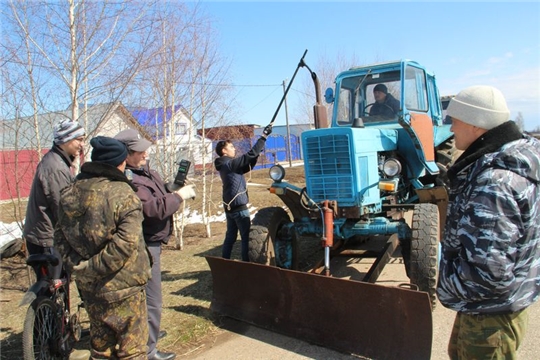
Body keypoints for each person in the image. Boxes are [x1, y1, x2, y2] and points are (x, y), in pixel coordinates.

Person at [436, 85, 540, 359]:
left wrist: (446, 284)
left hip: (490, 317)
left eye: (455, 122)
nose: (451, 129)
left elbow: (489, 274)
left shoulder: (494, 183)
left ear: (475, 124)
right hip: (493, 308)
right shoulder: (514, 163)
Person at [54, 136, 152, 359]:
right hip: (124, 287)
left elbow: (59, 237)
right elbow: (126, 244)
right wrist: (91, 268)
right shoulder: (123, 194)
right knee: (133, 352)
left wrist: (80, 267)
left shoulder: (70, 192)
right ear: (120, 163)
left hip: (91, 289)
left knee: (100, 351)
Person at [114, 128, 196, 360]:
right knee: (152, 300)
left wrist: (173, 187)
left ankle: (147, 339)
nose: (145, 154)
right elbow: (152, 210)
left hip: (152, 242)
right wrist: (180, 197)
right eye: (140, 151)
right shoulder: (130, 180)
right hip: (145, 243)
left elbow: (159, 195)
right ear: (126, 154)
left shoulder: (145, 172)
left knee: (149, 299)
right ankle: (149, 351)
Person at [23, 119, 85, 279]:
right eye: (79, 139)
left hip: (48, 237)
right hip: (46, 240)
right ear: (66, 140)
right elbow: (64, 209)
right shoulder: (55, 168)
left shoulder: (58, 162)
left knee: (57, 290)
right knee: (52, 291)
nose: (82, 144)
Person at [214, 124, 272, 262]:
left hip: (230, 208)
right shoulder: (230, 164)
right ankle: (246, 265)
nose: (234, 148)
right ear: (224, 151)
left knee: (230, 237)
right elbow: (249, 155)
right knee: (246, 238)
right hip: (239, 209)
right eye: (231, 147)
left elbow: (248, 164)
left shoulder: (225, 165)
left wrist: (256, 154)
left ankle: (225, 263)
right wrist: (263, 137)